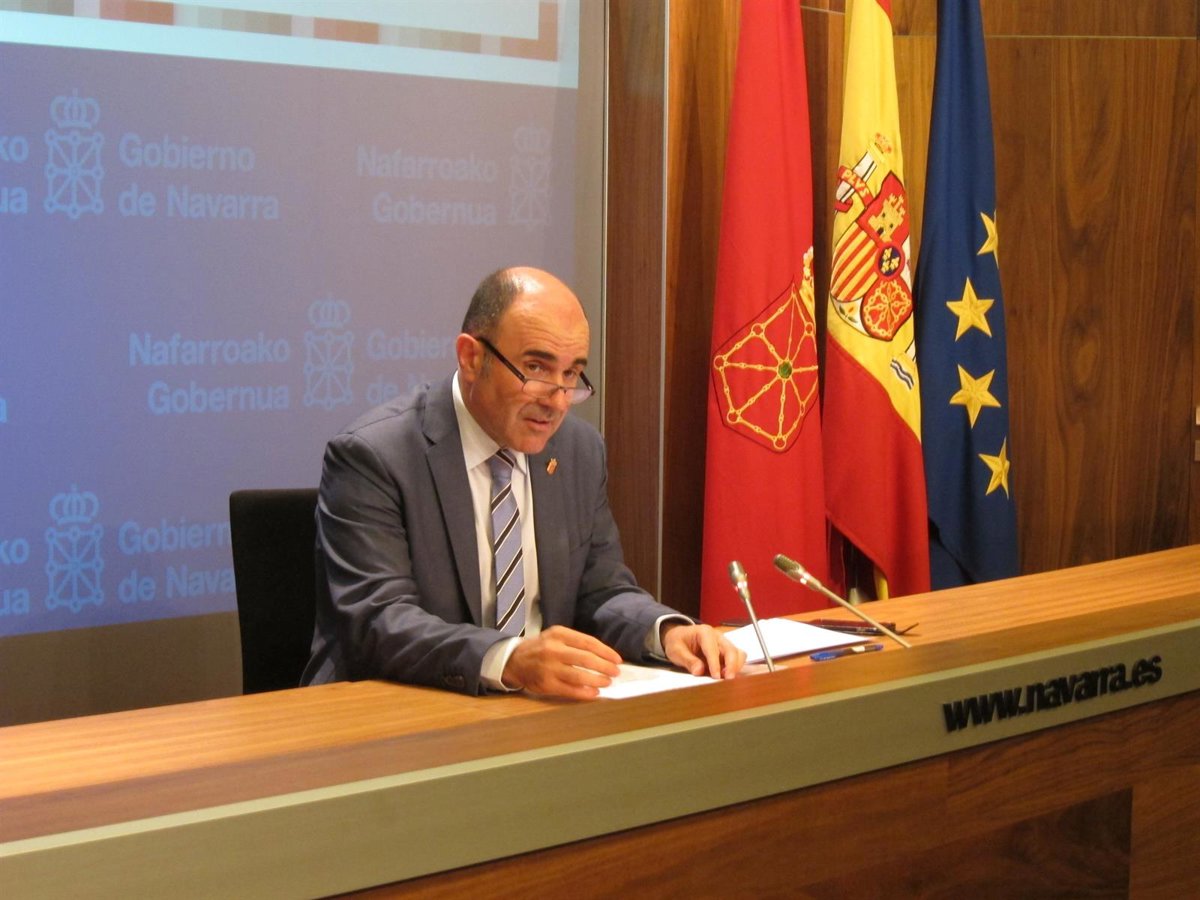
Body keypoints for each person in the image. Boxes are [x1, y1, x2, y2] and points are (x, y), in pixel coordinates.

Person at [301, 266, 745, 699]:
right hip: (399, 712)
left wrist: (665, 632)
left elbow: (601, 590)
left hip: (537, 713)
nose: (557, 400)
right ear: (471, 358)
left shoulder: (578, 451)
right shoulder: (375, 456)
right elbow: (379, 621)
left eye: (571, 374)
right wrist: (509, 659)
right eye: (536, 368)